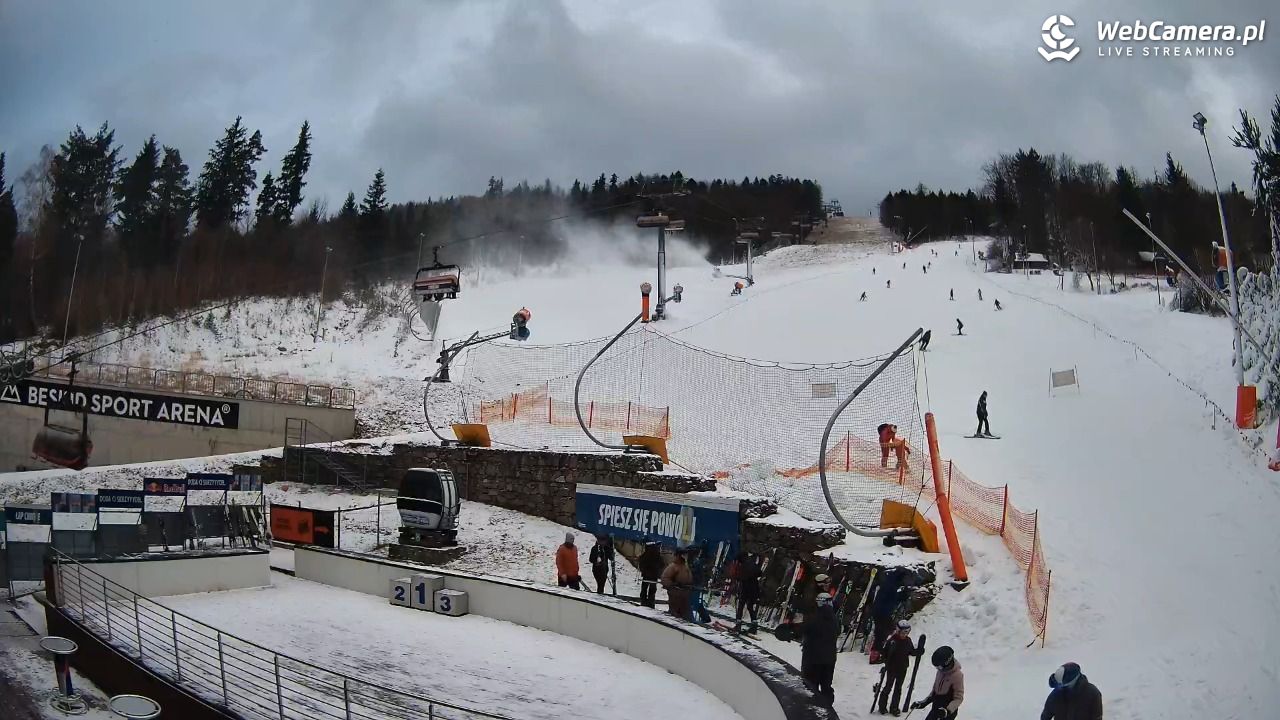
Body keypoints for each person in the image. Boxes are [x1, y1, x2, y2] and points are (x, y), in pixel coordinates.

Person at [796, 592, 839, 704]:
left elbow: (802, 629)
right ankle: (827, 709)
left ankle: (811, 710)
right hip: (829, 659)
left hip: (813, 659)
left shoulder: (815, 618)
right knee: (826, 686)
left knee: (810, 685)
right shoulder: (834, 619)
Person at [910, 646, 964, 719]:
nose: (938, 669)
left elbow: (958, 698)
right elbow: (935, 691)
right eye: (937, 667)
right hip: (936, 708)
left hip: (947, 713)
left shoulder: (957, 675)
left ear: (947, 663)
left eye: (939, 667)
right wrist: (924, 703)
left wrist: (947, 710)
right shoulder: (941, 672)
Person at [878, 620, 919, 715]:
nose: (905, 634)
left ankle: (894, 707)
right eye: (903, 632)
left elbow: (911, 651)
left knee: (898, 688)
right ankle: (882, 706)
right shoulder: (892, 641)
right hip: (892, 668)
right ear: (898, 630)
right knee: (888, 687)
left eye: (907, 632)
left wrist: (918, 651)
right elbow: (884, 653)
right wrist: (885, 660)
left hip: (902, 668)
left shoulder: (908, 641)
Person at [869, 569, 910, 660]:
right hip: (882, 612)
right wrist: (902, 596)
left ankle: (879, 652)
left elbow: (890, 598)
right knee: (882, 633)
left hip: (880, 611)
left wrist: (900, 596)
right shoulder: (891, 585)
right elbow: (890, 599)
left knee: (886, 631)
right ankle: (874, 656)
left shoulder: (890, 582)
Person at [733, 550, 762, 634]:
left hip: (746, 588)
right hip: (754, 588)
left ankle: (738, 625)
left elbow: (740, 577)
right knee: (750, 606)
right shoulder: (753, 563)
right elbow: (760, 573)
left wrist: (740, 579)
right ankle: (754, 626)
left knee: (741, 605)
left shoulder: (744, 565)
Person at [661, 548, 693, 620]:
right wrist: (674, 584)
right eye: (682, 555)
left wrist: (690, 585)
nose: (684, 556)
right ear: (678, 555)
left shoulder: (685, 566)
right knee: (674, 614)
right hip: (675, 593)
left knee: (685, 615)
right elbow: (664, 578)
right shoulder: (673, 566)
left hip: (685, 594)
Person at [638, 542, 664, 608]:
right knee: (652, 591)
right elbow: (662, 564)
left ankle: (643, 603)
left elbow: (641, 561)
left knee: (644, 589)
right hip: (654, 575)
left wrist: (643, 570)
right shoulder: (657, 554)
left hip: (646, 575)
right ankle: (651, 604)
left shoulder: (646, 553)